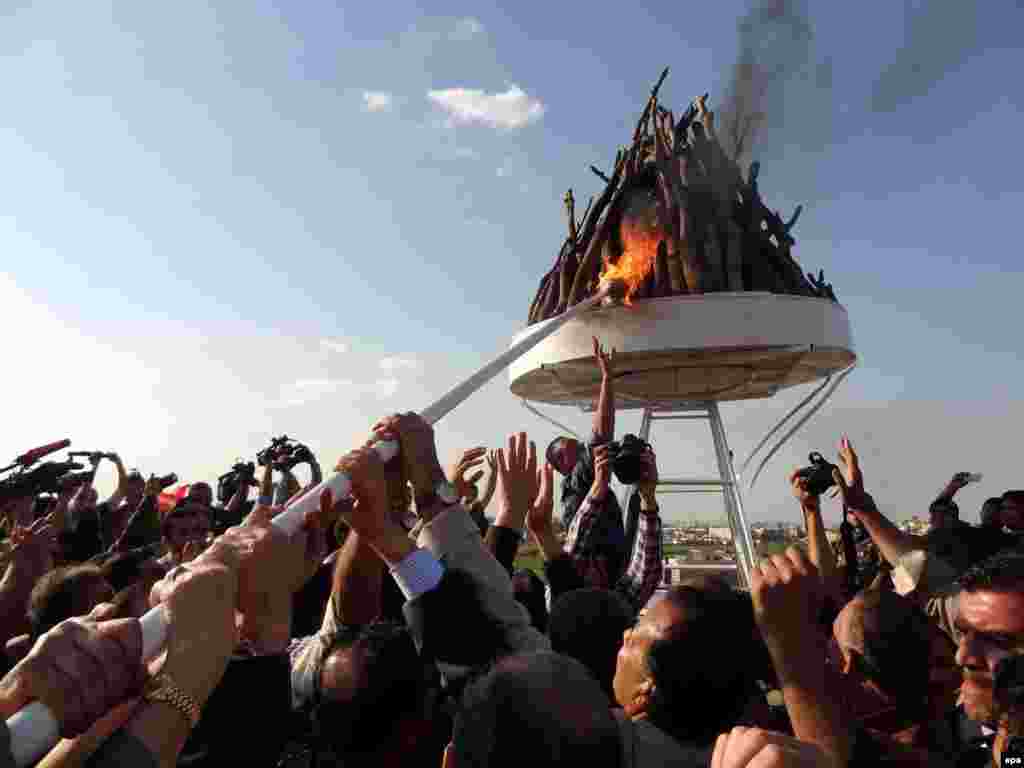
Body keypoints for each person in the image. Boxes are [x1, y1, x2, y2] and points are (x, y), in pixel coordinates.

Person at [546, 337, 629, 583]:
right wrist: (606, 379)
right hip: (601, 582)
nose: (582, 447)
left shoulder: (578, 485)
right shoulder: (577, 480)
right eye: (574, 448)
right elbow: (600, 436)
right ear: (562, 462)